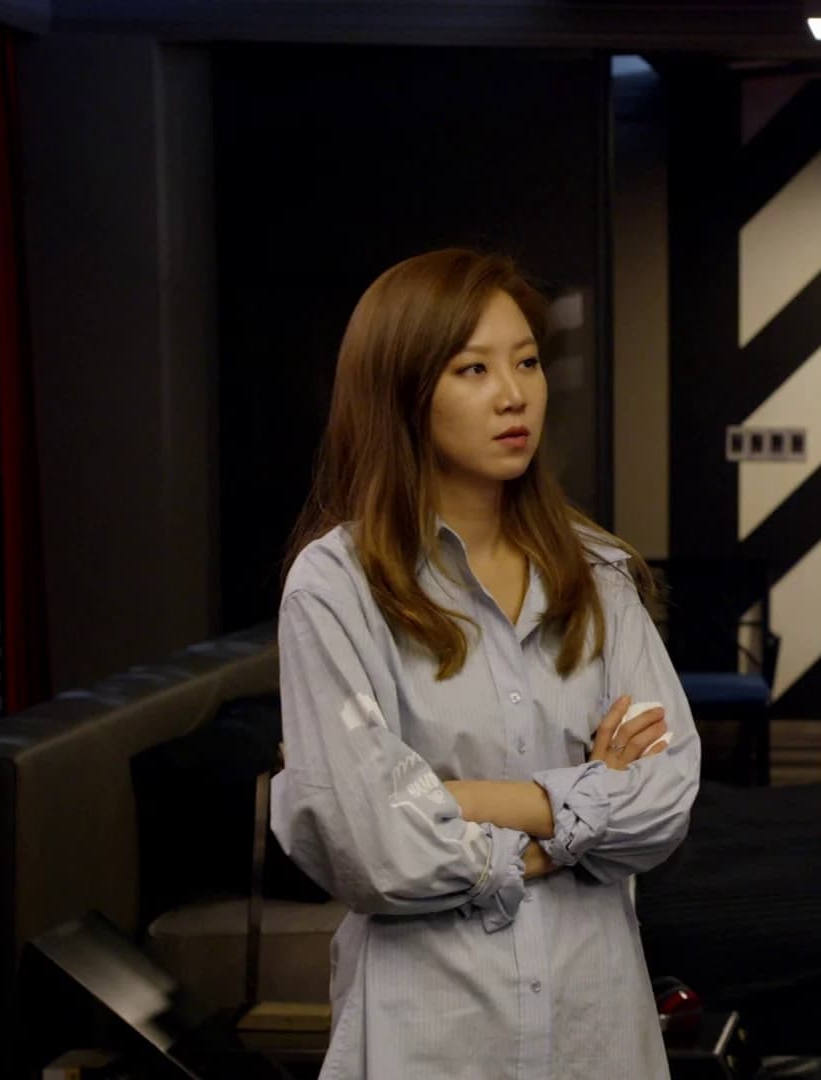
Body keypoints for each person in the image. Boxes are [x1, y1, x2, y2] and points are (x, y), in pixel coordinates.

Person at [271, 249, 698, 1078]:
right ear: (401, 390)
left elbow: (664, 799)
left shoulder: (599, 573)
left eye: (527, 362)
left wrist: (455, 799)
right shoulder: (336, 587)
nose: (514, 395)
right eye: (473, 369)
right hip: (433, 1043)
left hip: (595, 1034)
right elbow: (373, 848)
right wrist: (578, 818)